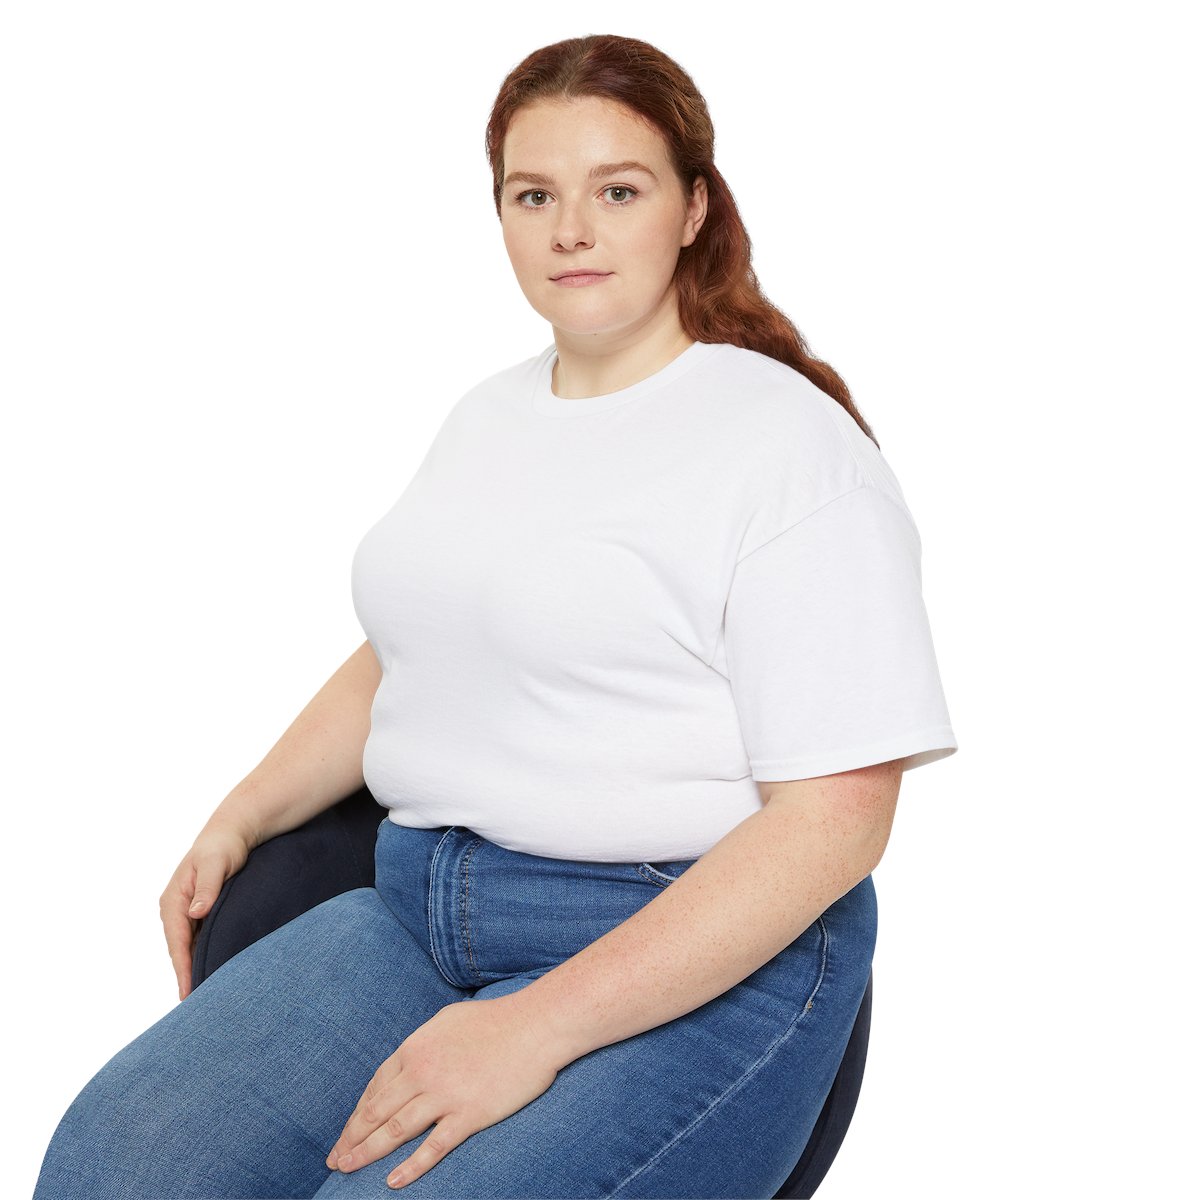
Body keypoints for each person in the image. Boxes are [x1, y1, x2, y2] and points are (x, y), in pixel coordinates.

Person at [34, 32, 958, 1200]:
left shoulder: (791, 453)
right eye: (534, 195)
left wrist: (537, 1028)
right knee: (111, 1170)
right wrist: (241, 814)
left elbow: (836, 823)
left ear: (691, 208)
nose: (571, 229)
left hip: (682, 942)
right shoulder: (488, 418)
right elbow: (419, 650)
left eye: (617, 191)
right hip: (422, 913)